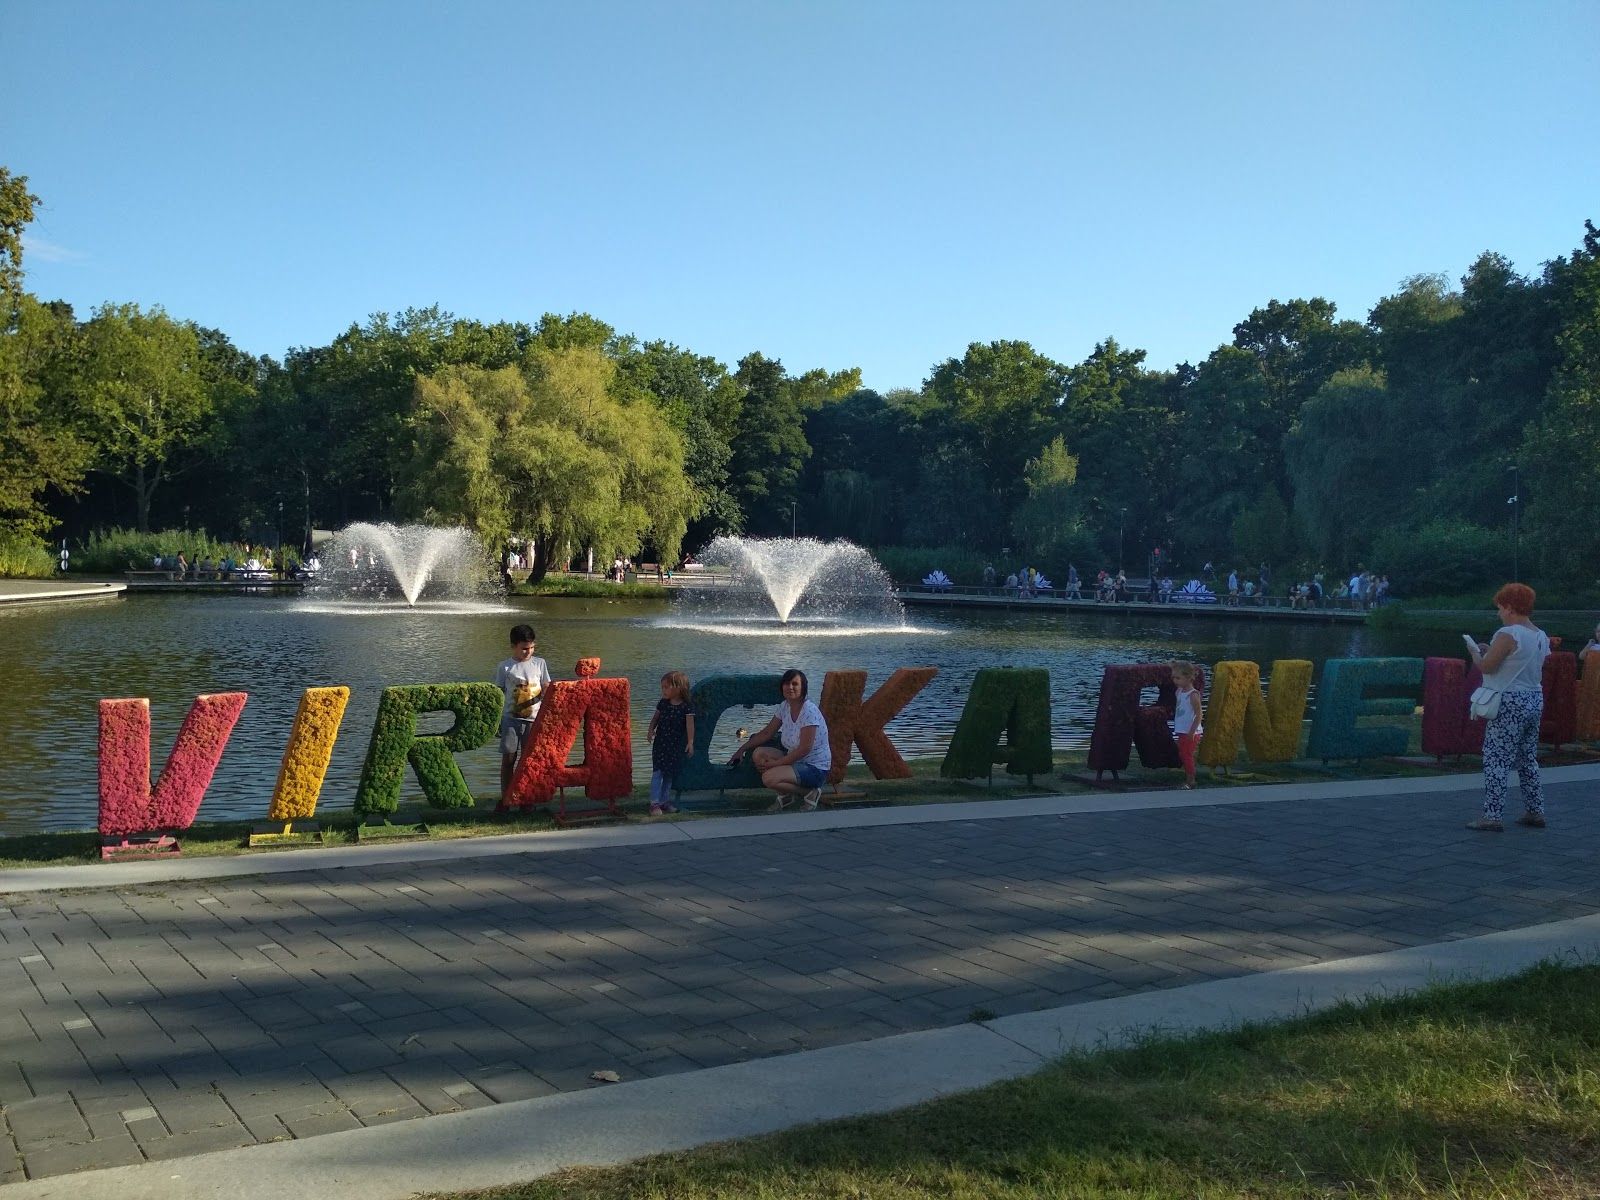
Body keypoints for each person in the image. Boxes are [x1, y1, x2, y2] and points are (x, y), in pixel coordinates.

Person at [1464, 583, 1549, 832]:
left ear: (1510, 607)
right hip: (1534, 699)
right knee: (1527, 758)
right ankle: (1535, 811)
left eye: (1500, 608)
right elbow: (1520, 662)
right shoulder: (1540, 635)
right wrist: (1492, 653)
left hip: (1509, 702)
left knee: (1496, 758)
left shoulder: (1508, 633)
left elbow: (1487, 667)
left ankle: (1492, 816)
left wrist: (1474, 653)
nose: (1499, 612)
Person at [727, 668, 831, 812]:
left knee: (769, 778)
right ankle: (786, 795)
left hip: (813, 767)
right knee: (759, 754)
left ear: (803, 688)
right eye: (786, 683)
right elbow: (767, 732)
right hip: (794, 759)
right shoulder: (785, 706)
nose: (790, 687)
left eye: (795, 684)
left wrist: (776, 764)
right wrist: (741, 749)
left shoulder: (809, 711)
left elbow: (804, 749)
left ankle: (810, 793)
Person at [496, 624, 552, 804]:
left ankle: (527, 798)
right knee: (509, 759)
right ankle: (506, 798)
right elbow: (499, 693)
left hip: (533, 720)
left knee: (529, 760)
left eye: (532, 647)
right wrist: (497, 721)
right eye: (524, 648)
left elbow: (546, 685)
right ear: (513, 646)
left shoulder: (540, 663)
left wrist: (546, 692)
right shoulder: (505, 667)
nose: (528, 651)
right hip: (510, 719)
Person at [646, 671, 694, 816]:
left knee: (669, 775)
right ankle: (654, 803)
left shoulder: (687, 706)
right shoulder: (663, 703)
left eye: (666, 687)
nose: (663, 690)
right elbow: (655, 718)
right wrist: (650, 730)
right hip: (660, 744)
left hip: (674, 745)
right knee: (657, 772)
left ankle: (664, 801)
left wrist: (690, 742)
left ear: (679, 688)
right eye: (662, 687)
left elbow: (690, 725)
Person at [1171, 661, 1203, 789]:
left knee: (1186, 754)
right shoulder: (1179, 692)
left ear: (1189, 678)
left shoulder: (1193, 695)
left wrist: (1192, 731)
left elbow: (1199, 714)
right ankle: (1189, 776)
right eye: (1173, 677)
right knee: (1183, 753)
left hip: (1191, 731)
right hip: (1182, 730)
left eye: (1178, 678)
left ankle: (1191, 780)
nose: (1175, 681)